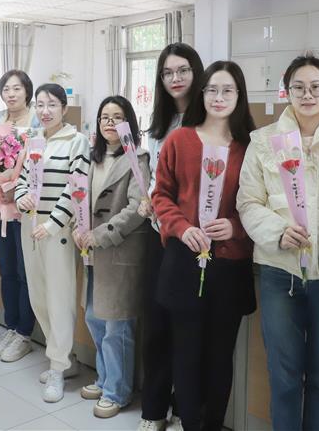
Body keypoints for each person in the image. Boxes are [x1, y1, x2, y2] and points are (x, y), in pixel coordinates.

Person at [237, 54, 319, 431]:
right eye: (298, 87)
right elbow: (248, 201)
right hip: (280, 274)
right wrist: (277, 232)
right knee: (283, 376)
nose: (307, 94)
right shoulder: (264, 141)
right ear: (287, 92)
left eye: (315, 87)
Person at [152, 61, 257, 431]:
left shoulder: (251, 147)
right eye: (212, 89)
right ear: (202, 94)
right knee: (187, 353)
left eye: (227, 90)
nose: (218, 97)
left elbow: (261, 203)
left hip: (230, 266)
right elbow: (161, 195)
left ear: (239, 96)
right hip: (185, 261)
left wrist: (236, 226)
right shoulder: (179, 140)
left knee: (220, 355)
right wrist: (181, 228)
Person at [137, 43, 205, 431]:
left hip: (192, 239)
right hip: (159, 235)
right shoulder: (159, 125)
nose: (175, 78)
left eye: (182, 70)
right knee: (157, 323)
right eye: (167, 72)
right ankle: (154, 408)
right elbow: (155, 179)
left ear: (196, 73)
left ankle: (185, 405)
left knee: (188, 328)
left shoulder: (207, 120)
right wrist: (148, 199)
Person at [75, 95, 150, 419]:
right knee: (94, 318)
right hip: (91, 253)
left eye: (117, 117)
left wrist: (101, 234)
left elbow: (137, 208)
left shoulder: (138, 158)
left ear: (129, 123)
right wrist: (79, 228)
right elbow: (80, 198)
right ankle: (106, 379)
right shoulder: (92, 158)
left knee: (117, 326)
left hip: (119, 252)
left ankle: (118, 391)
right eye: (104, 116)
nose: (110, 122)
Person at [15, 83, 90, 403]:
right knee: (39, 298)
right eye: (40, 105)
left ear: (64, 108)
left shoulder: (77, 141)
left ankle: (58, 368)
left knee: (59, 300)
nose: (45, 111)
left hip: (56, 232)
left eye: (52, 105)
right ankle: (65, 360)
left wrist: (52, 223)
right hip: (29, 227)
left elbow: (77, 187)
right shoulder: (34, 139)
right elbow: (22, 180)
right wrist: (21, 199)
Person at [0, 70, 41, 364]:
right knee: (6, 270)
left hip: (26, 208)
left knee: (24, 271)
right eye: (6, 89)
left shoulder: (37, 121)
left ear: (27, 91)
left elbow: (39, 166)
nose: (11, 94)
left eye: (17, 88)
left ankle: (24, 333)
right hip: (0, 208)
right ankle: (10, 326)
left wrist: (15, 190)